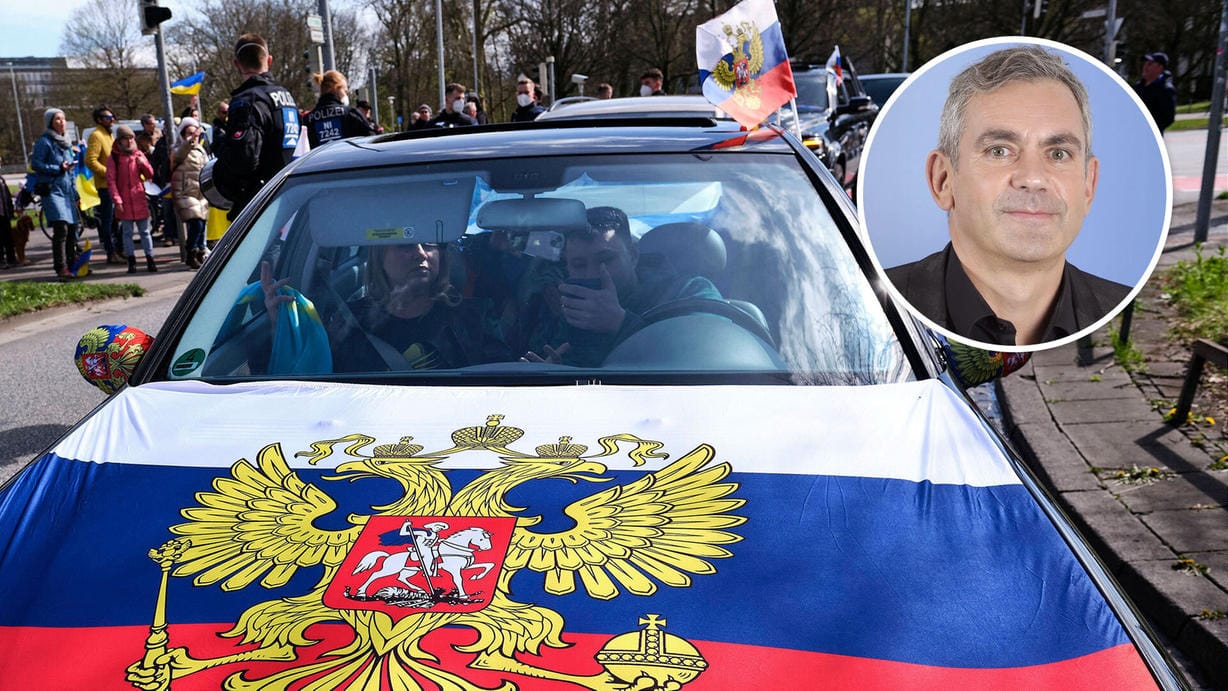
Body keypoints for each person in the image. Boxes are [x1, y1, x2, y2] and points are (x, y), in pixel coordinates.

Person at [885, 45, 1130, 347]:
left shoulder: (1118, 306)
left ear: (1088, 184)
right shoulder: (872, 304)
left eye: (1058, 153)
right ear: (943, 180)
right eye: (999, 151)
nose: (1033, 178)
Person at [261, 241, 511, 373]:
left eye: (431, 245)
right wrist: (280, 326)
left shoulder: (474, 316)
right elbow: (310, 377)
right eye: (406, 245)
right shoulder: (349, 321)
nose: (421, 254)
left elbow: (504, 382)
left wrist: (542, 369)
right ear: (379, 257)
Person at [525, 206, 721, 366]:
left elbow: (706, 355)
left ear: (633, 256)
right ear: (567, 267)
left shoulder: (690, 293)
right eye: (579, 265)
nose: (594, 273)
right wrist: (554, 371)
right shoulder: (562, 308)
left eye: (606, 259)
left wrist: (621, 323)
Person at [213, 33, 301, 219]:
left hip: (259, 202)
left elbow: (244, 160)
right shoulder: (287, 97)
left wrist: (220, 145)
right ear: (269, 60)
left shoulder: (247, 101)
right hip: (289, 194)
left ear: (236, 64)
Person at [32, 108, 81, 280]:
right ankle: (61, 268)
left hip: (67, 190)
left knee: (73, 228)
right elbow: (36, 164)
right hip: (52, 190)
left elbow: (71, 171)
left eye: (63, 118)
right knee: (61, 228)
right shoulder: (44, 142)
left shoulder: (66, 143)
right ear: (50, 122)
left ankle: (72, 263)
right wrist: (57, 168)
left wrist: (75, 194)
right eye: (57, 119)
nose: (61, 122)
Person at [105, 125, 158, 273]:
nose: (129, 142)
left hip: (138, 197)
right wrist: (117, 200)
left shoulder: (138, 154)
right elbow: (111, 181)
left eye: (131, 138)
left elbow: (149, 175)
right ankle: (131, 260)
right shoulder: (114, 158)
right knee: (127, 233)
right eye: (125, 139)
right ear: (119, 141)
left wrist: (144, 164)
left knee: (145, 232)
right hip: (124, 200)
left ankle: (150, 259)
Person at [172, 117, 210, 270]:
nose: (193, 136)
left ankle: (200, 252)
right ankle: (190, 252)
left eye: (194, 132)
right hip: (185, 191)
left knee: (202, 225)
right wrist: (190, 140)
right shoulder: (177, 148)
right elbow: (180, 155)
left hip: (200, 193)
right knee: (196, 223)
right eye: (188, 132)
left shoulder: (201, 149)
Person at [84, 105, 120, 263]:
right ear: (99, 120)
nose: (111, 120)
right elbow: (90, 160)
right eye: (107, 117)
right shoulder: (96, 135)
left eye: (112, 117)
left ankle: (118, 251)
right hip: (105, 186)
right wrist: (108, 174)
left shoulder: (109, 135)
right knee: (107, 221)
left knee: (114, 221)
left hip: (114, 186)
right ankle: (110, 253)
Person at [305, 70, 378, 148]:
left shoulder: (308, 119)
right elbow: (372, 139)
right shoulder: (351, 114)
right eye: (345, 91)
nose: (346, 94)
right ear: (337, 88)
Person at [140, 113, 176, 245]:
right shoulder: (158, 143)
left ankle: (179, 235)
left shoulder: (178, 141)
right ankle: (169, 236)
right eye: (150, 123)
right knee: (166, 210)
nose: (153, 126)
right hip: (165, 182)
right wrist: (154, 178)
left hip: (180, 181)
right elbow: (154, 162)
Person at [1135, 52, 1176, 134]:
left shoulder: (1165, 89)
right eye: (1145, 64)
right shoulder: (1138, 87)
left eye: (1150, 64)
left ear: (1160, 67)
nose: (1145, 67)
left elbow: (1168, 118)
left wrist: (1148, 129)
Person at [0, 158, 15, 269]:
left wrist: (10, 209)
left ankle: (11, 258)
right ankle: (1, 260)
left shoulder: (1, 179)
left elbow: (7, 196)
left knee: (8, 236)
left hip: (5, 212)